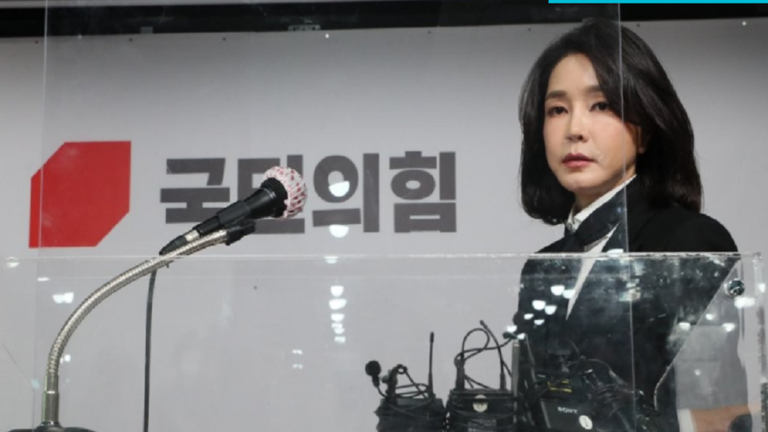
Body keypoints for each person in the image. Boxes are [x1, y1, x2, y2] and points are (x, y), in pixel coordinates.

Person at [512, 19, 749, 432]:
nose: (574, 130)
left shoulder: (688, 241)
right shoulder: (540, 267)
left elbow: (717, 410)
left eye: (601, 105)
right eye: (557, 110)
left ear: (645, 131)